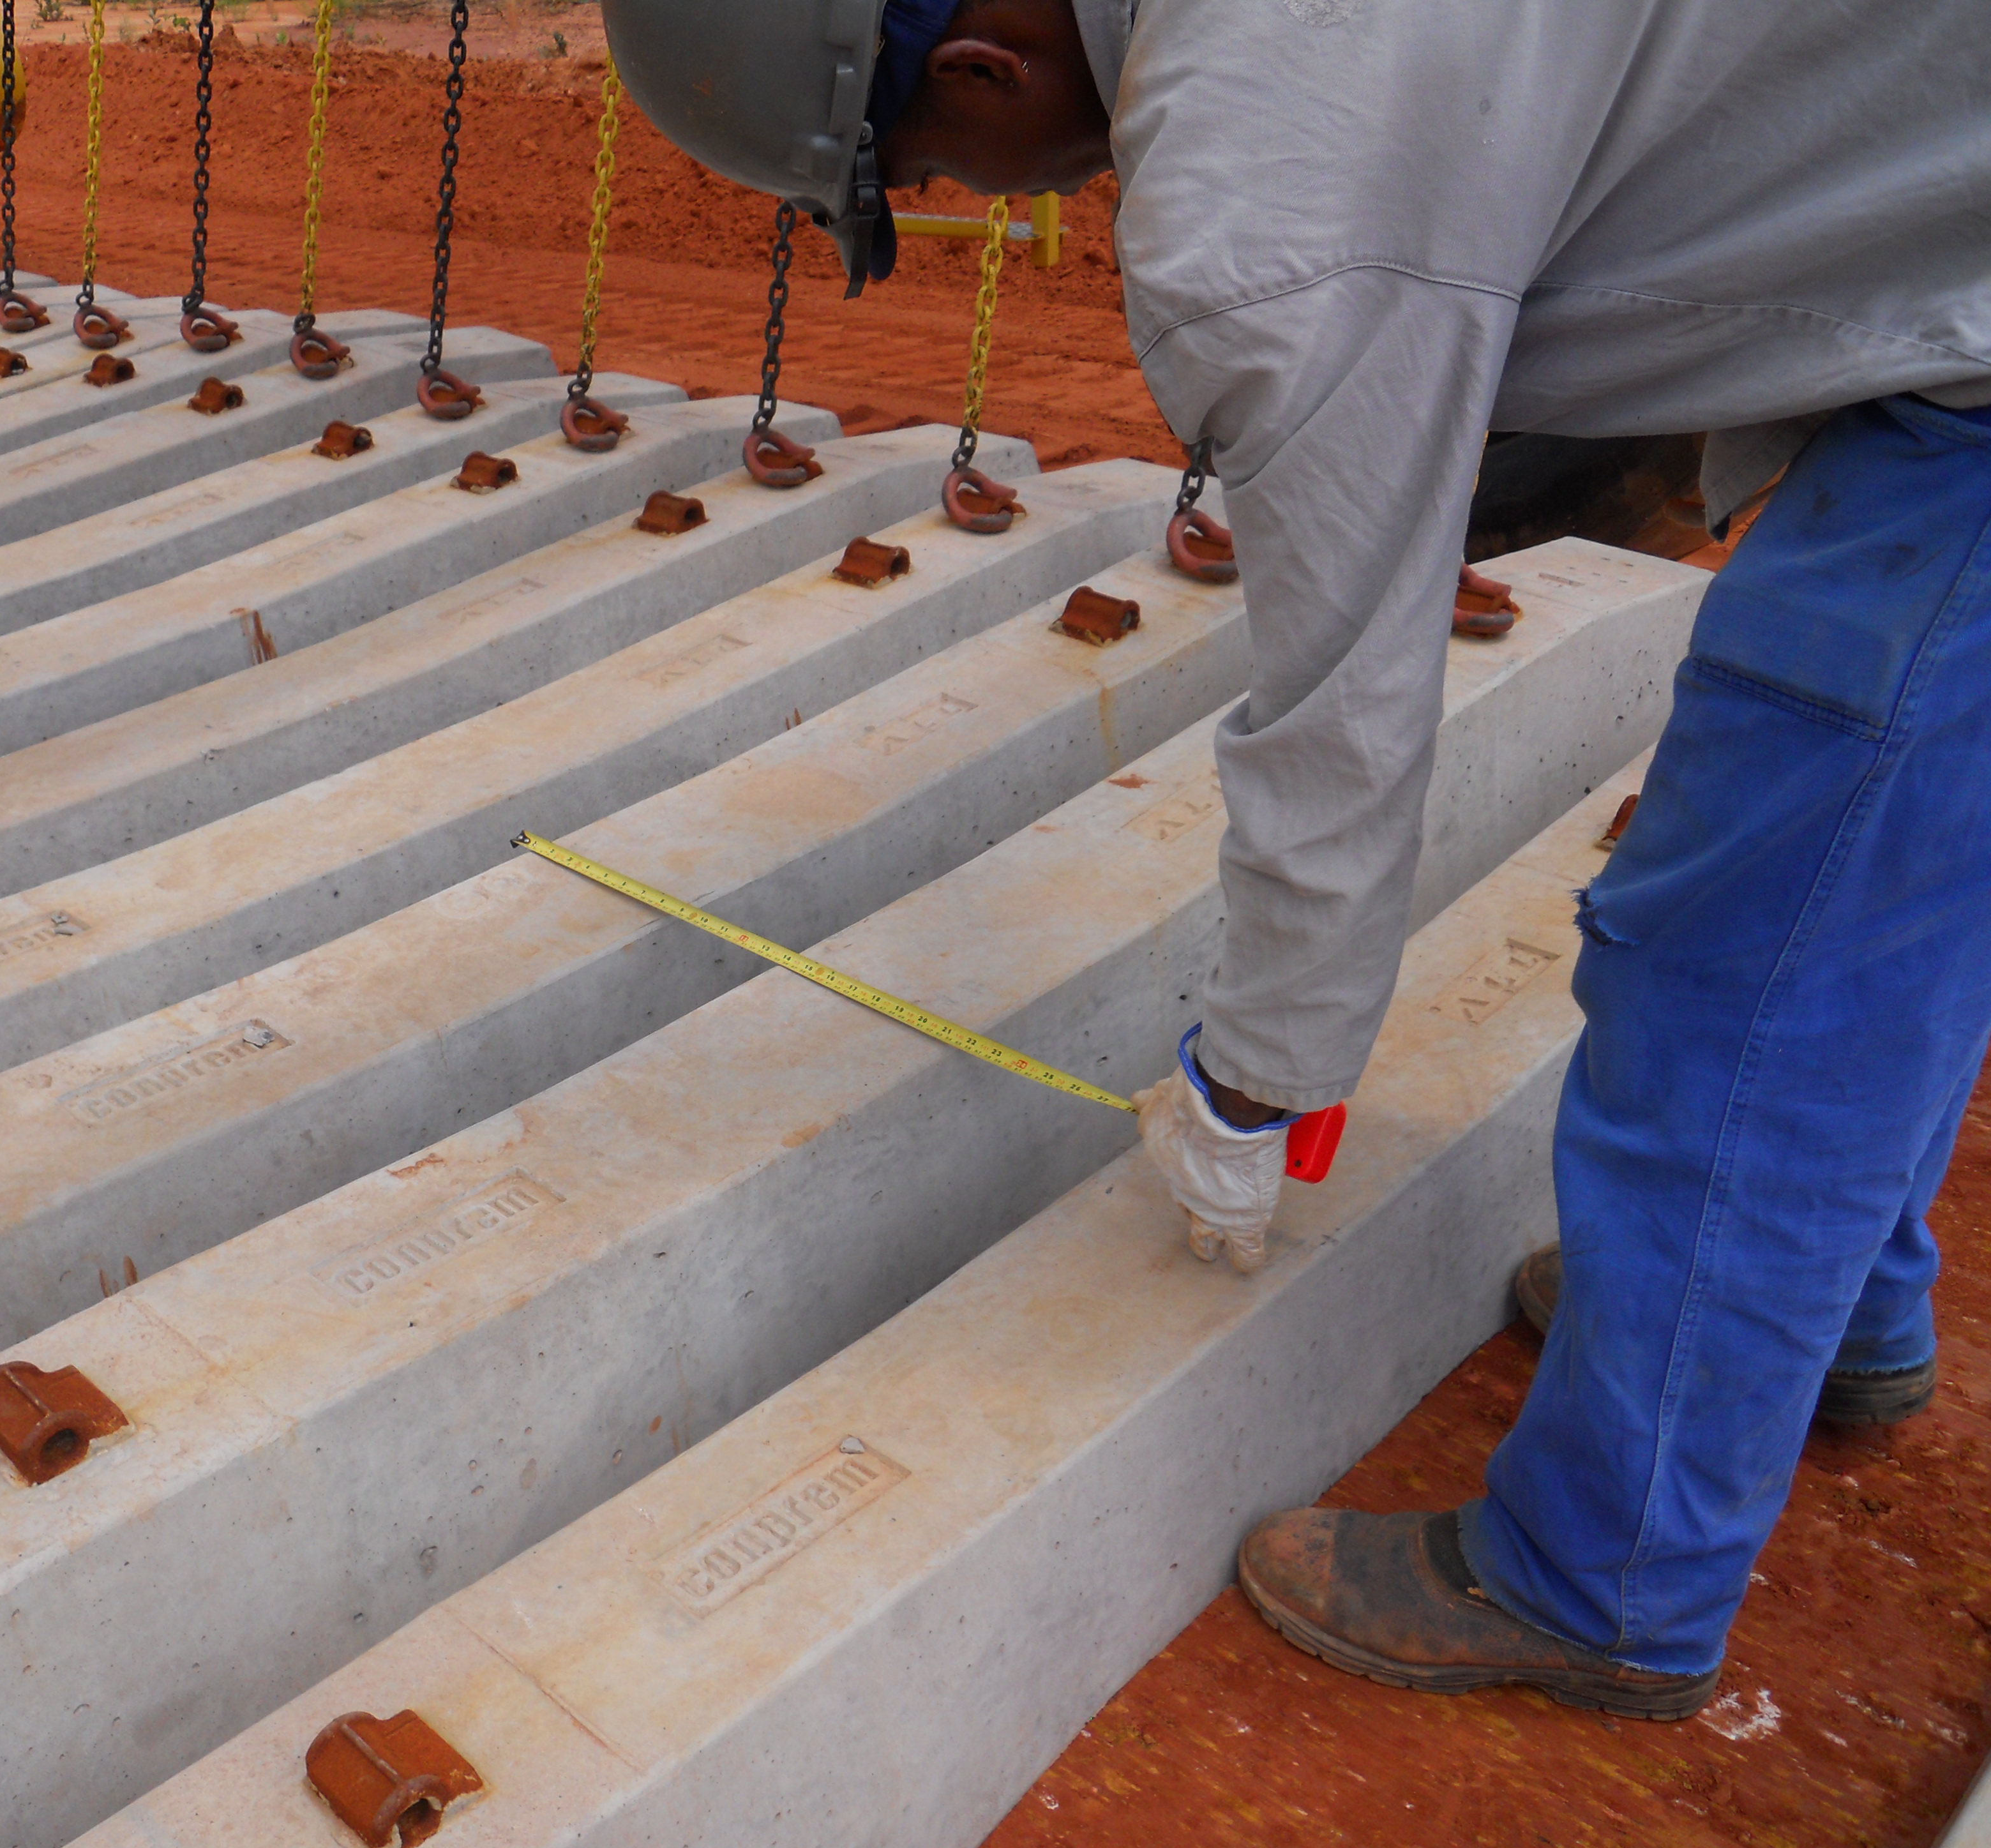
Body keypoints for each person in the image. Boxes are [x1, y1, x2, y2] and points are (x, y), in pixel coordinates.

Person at [600, 0, 1991, 1720]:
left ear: (979, 73)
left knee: (1752, 960)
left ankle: (1603, 1577)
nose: (997, 194)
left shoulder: (1254, 179)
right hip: (1941, 253)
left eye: (945, 171)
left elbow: (1350, 692)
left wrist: (1258, 1086)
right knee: (1875, 905)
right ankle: (1816, 1319)